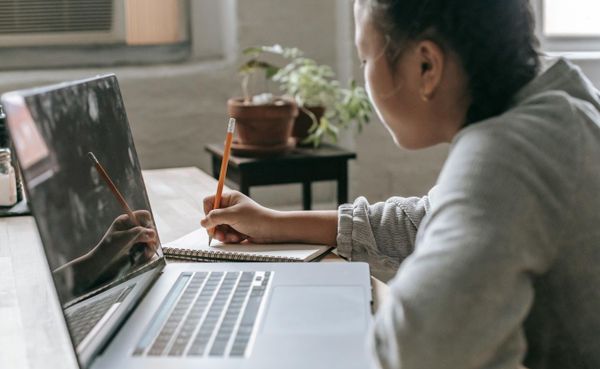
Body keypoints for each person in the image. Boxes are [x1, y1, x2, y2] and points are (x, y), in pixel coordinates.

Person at [201, 0, 600, 368]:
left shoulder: (510, 154)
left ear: (426, 66)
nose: (365, 77)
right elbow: (426, 221)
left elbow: (413, 352)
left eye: (365, 59)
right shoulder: (549, 98)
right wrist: (274, 223)